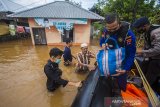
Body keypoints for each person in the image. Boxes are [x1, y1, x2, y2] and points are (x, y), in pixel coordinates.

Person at [101, 13, 136, 91]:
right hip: (109, 62)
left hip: (121, 66)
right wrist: (103, 44)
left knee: (121, 87)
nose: (112, 31)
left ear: (119, 24)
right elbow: (102, 41)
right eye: (109, 29)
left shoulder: (129, 35)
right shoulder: (105, 31)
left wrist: (125, 69)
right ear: (106, 26)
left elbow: (131, 54)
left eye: (114, 28)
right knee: (107, 86)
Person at [133, 17, 160, 94]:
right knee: (143, 66)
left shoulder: (156, 32)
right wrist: (140, 53)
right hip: (152, 56)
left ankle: (146, 90)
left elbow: (158, 49)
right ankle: (140, 83)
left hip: (157, 59)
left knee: (152, 69)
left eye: (138, 28)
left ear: (145, 26)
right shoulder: (146, 32)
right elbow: (147, 47)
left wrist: (142, 52)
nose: (138, 30)